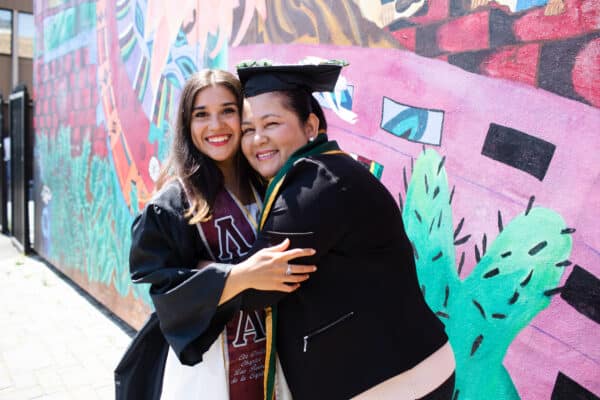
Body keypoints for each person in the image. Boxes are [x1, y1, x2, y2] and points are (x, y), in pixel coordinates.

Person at [234, 61, 456, 400]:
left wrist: (201, 270)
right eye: (247, 129)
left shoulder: (311, 190)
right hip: (409, 363)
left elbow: (251, 289)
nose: (257, 139)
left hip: (389, 383)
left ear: (310, 126)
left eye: (272, 123)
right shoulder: (333, 168)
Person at [114, 69, 316, 400]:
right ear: (187, 125)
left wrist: (210, 270)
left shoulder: (267, 183)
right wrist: (242, 275)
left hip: (274, 354)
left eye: (227, 111)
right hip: (208, 368)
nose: (216, 125)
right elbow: (167, 292)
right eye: (201, 115)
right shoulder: (174, 203)